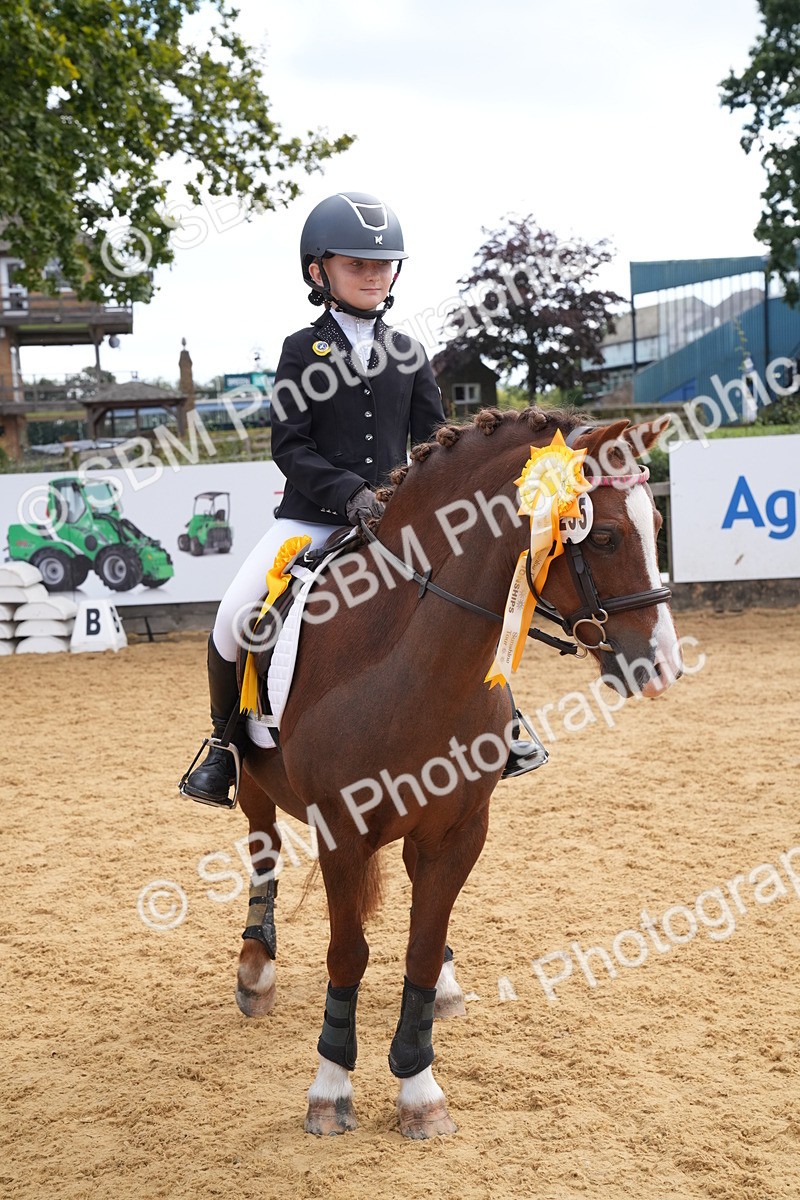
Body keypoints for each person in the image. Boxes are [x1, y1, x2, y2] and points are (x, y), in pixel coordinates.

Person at [181, 191, 546, 808]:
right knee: (234, 617)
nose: (373, 273)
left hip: (399, 526)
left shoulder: (408, 351)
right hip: (312, 522)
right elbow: (290, 446)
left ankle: (502, 722)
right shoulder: (302, 350)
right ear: (318, 271)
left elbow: (439, 444)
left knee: (473, 598)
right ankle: (225, 747)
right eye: (356, 263)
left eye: (382, 264)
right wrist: (350, 493)